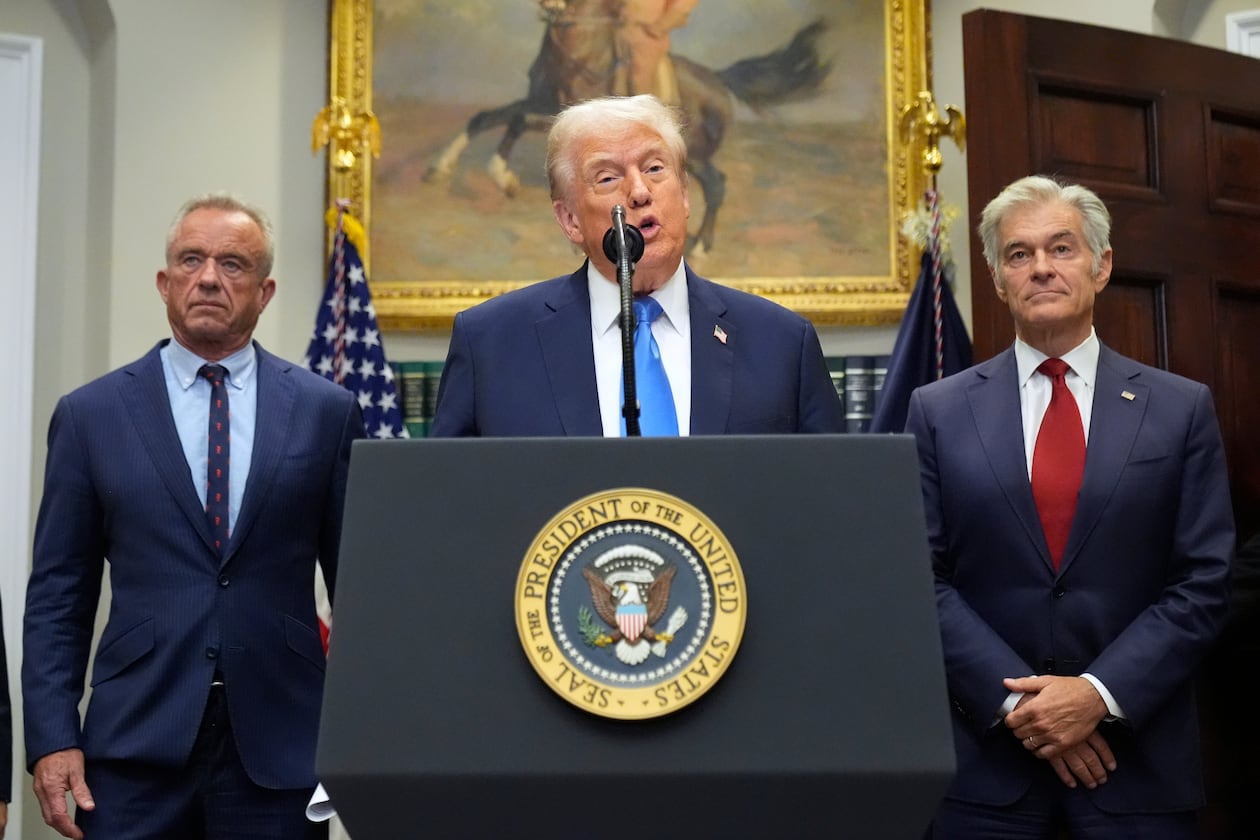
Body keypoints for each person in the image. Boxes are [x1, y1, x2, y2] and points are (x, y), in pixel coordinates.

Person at [23, 194, 365, 839]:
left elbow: (361, 593)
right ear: (165, 283)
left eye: (232, 264)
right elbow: (57, 596)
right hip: (133, 747)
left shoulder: (327, 412)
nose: (209, 277)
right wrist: (52, 739)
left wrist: (362, 735)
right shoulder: (91, 415)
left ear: (264, 293)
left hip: (280, 743)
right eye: (192, 259)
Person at [905, 175, 1234, 838]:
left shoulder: (1180, 410)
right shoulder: (937, 411)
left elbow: (1204, 580)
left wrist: (1096, 696)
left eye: (1062, 248)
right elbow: (917, 576)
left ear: (1101, 264)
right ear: (998, 279)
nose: (1042, 267)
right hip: (985, 775)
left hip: (1135, 771)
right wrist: (1023, 709)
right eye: (1020, 254)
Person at [431, 94, 841, 437]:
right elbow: (447, 506)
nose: (640, 192)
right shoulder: (491, 345)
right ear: (570, 219)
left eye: (655, 169)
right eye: (607, 178)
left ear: (684, 195)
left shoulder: (782, 344)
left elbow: (833, 500)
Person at [617, 0, 699, 105]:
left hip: (645, 31)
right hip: (609, 24)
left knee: (639, 74)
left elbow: (680, 7)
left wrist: (659, 27)